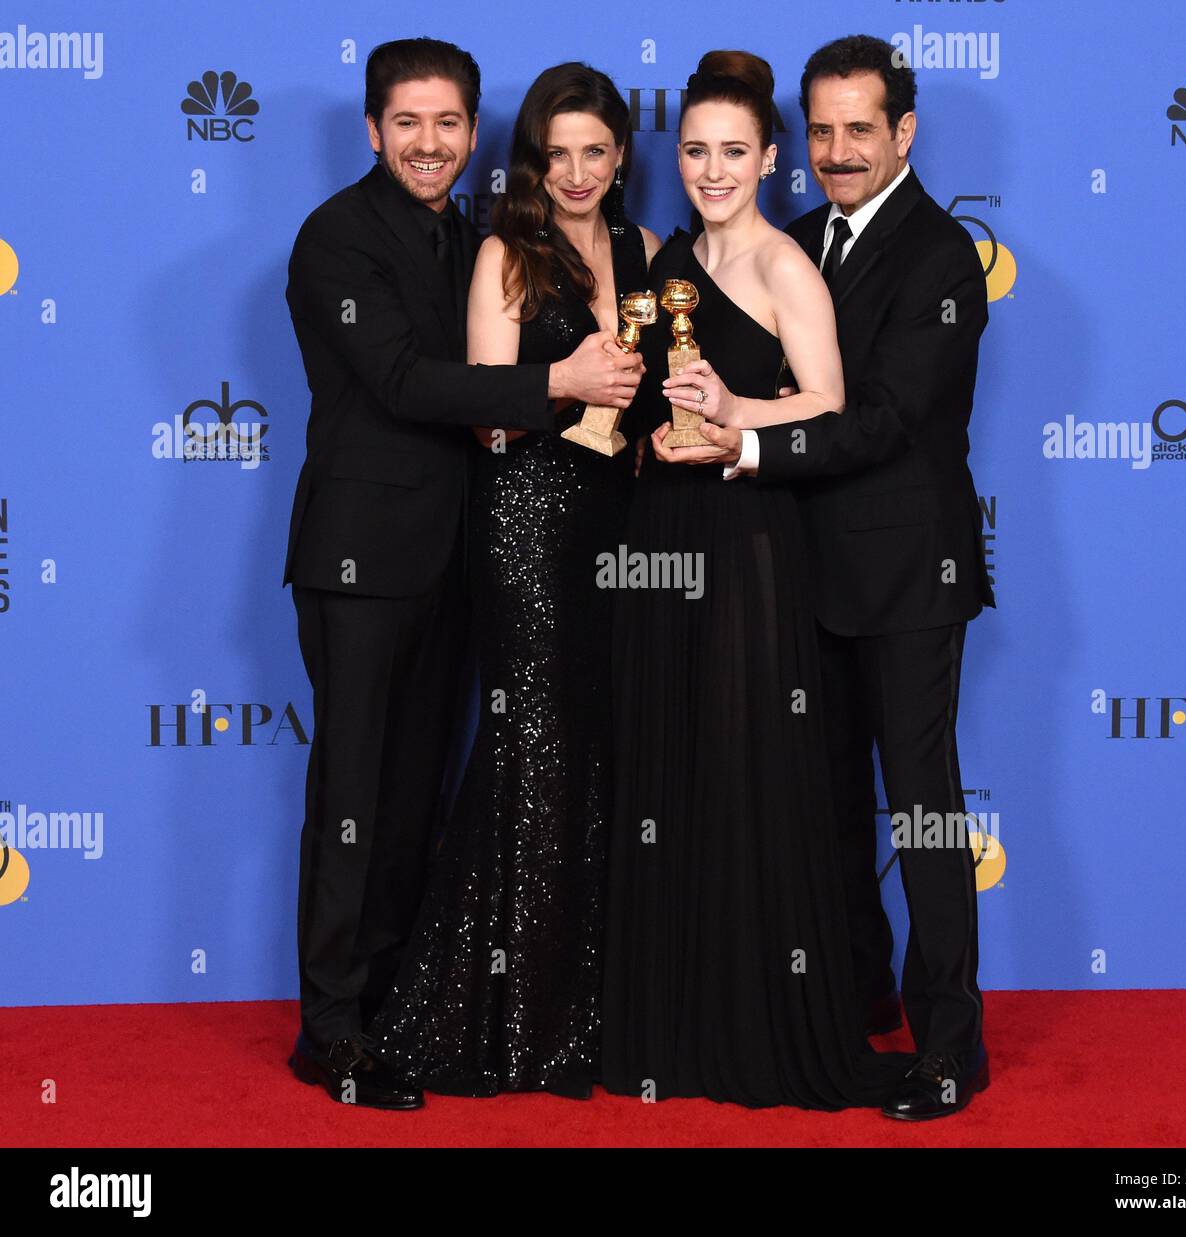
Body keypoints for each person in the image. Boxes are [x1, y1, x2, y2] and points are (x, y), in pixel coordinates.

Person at [283, 39, 642, 1110]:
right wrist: (558, 382)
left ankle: (391, 1004)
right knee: (353, 793)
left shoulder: (467, 240)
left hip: (455, 560)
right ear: (371, 130)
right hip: (360, 562)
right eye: (408, 124)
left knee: (411, 797)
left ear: (472, 134)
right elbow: (399, 380)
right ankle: (331, 1032)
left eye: (448, 126)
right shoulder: (335, 239)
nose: (429, 145)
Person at [601, 49, 912, 1110]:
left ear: (770, 157)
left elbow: (826, 402)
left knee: (743, 767)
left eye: (734, 150)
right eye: (694, 150)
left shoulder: (788, 265)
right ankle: (670, 1021)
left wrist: (734, 413)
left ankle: (758, 1022)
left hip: (746, 542)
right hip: (660, 527)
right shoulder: (662, 263)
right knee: (669, 766)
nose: (712, 168)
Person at [690, 35, 994, 1120]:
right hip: (801, 573)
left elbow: (880, 422)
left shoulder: (943, 258)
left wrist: (747, 443)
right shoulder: (800, 239)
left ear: (903, 133)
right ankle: (858, 1003)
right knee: (822, 806)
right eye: (818, 131)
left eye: (858, 129)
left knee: (918, 812)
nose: (836, 151)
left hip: (910, 573)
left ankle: (950, 1044)